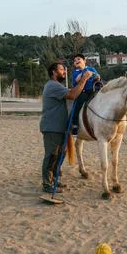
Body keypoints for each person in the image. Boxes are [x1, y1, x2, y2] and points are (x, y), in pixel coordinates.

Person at [40, 62, 93, 194]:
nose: (64, 71)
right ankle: (47, 184)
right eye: (61, 69)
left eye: (64, 69)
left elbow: (72, 95)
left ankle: (52, 180)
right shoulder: (52, 85)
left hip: (61, 127)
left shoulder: (58, 86)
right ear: (53, 72)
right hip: (52, 127)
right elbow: (73, 95)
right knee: (51, 155)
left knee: (60, 155)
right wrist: (84, 79)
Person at [71, 53, 102, 136]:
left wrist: (95, 76)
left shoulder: (91, 68)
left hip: (93, 90)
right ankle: (75, 124)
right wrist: (83, 73)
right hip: (83, 92)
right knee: (78, 104)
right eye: (75, 60)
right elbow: (77, 80)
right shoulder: (76, 72)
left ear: (84, 61)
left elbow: (98, 77)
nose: (76, 61)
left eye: (78, 59)